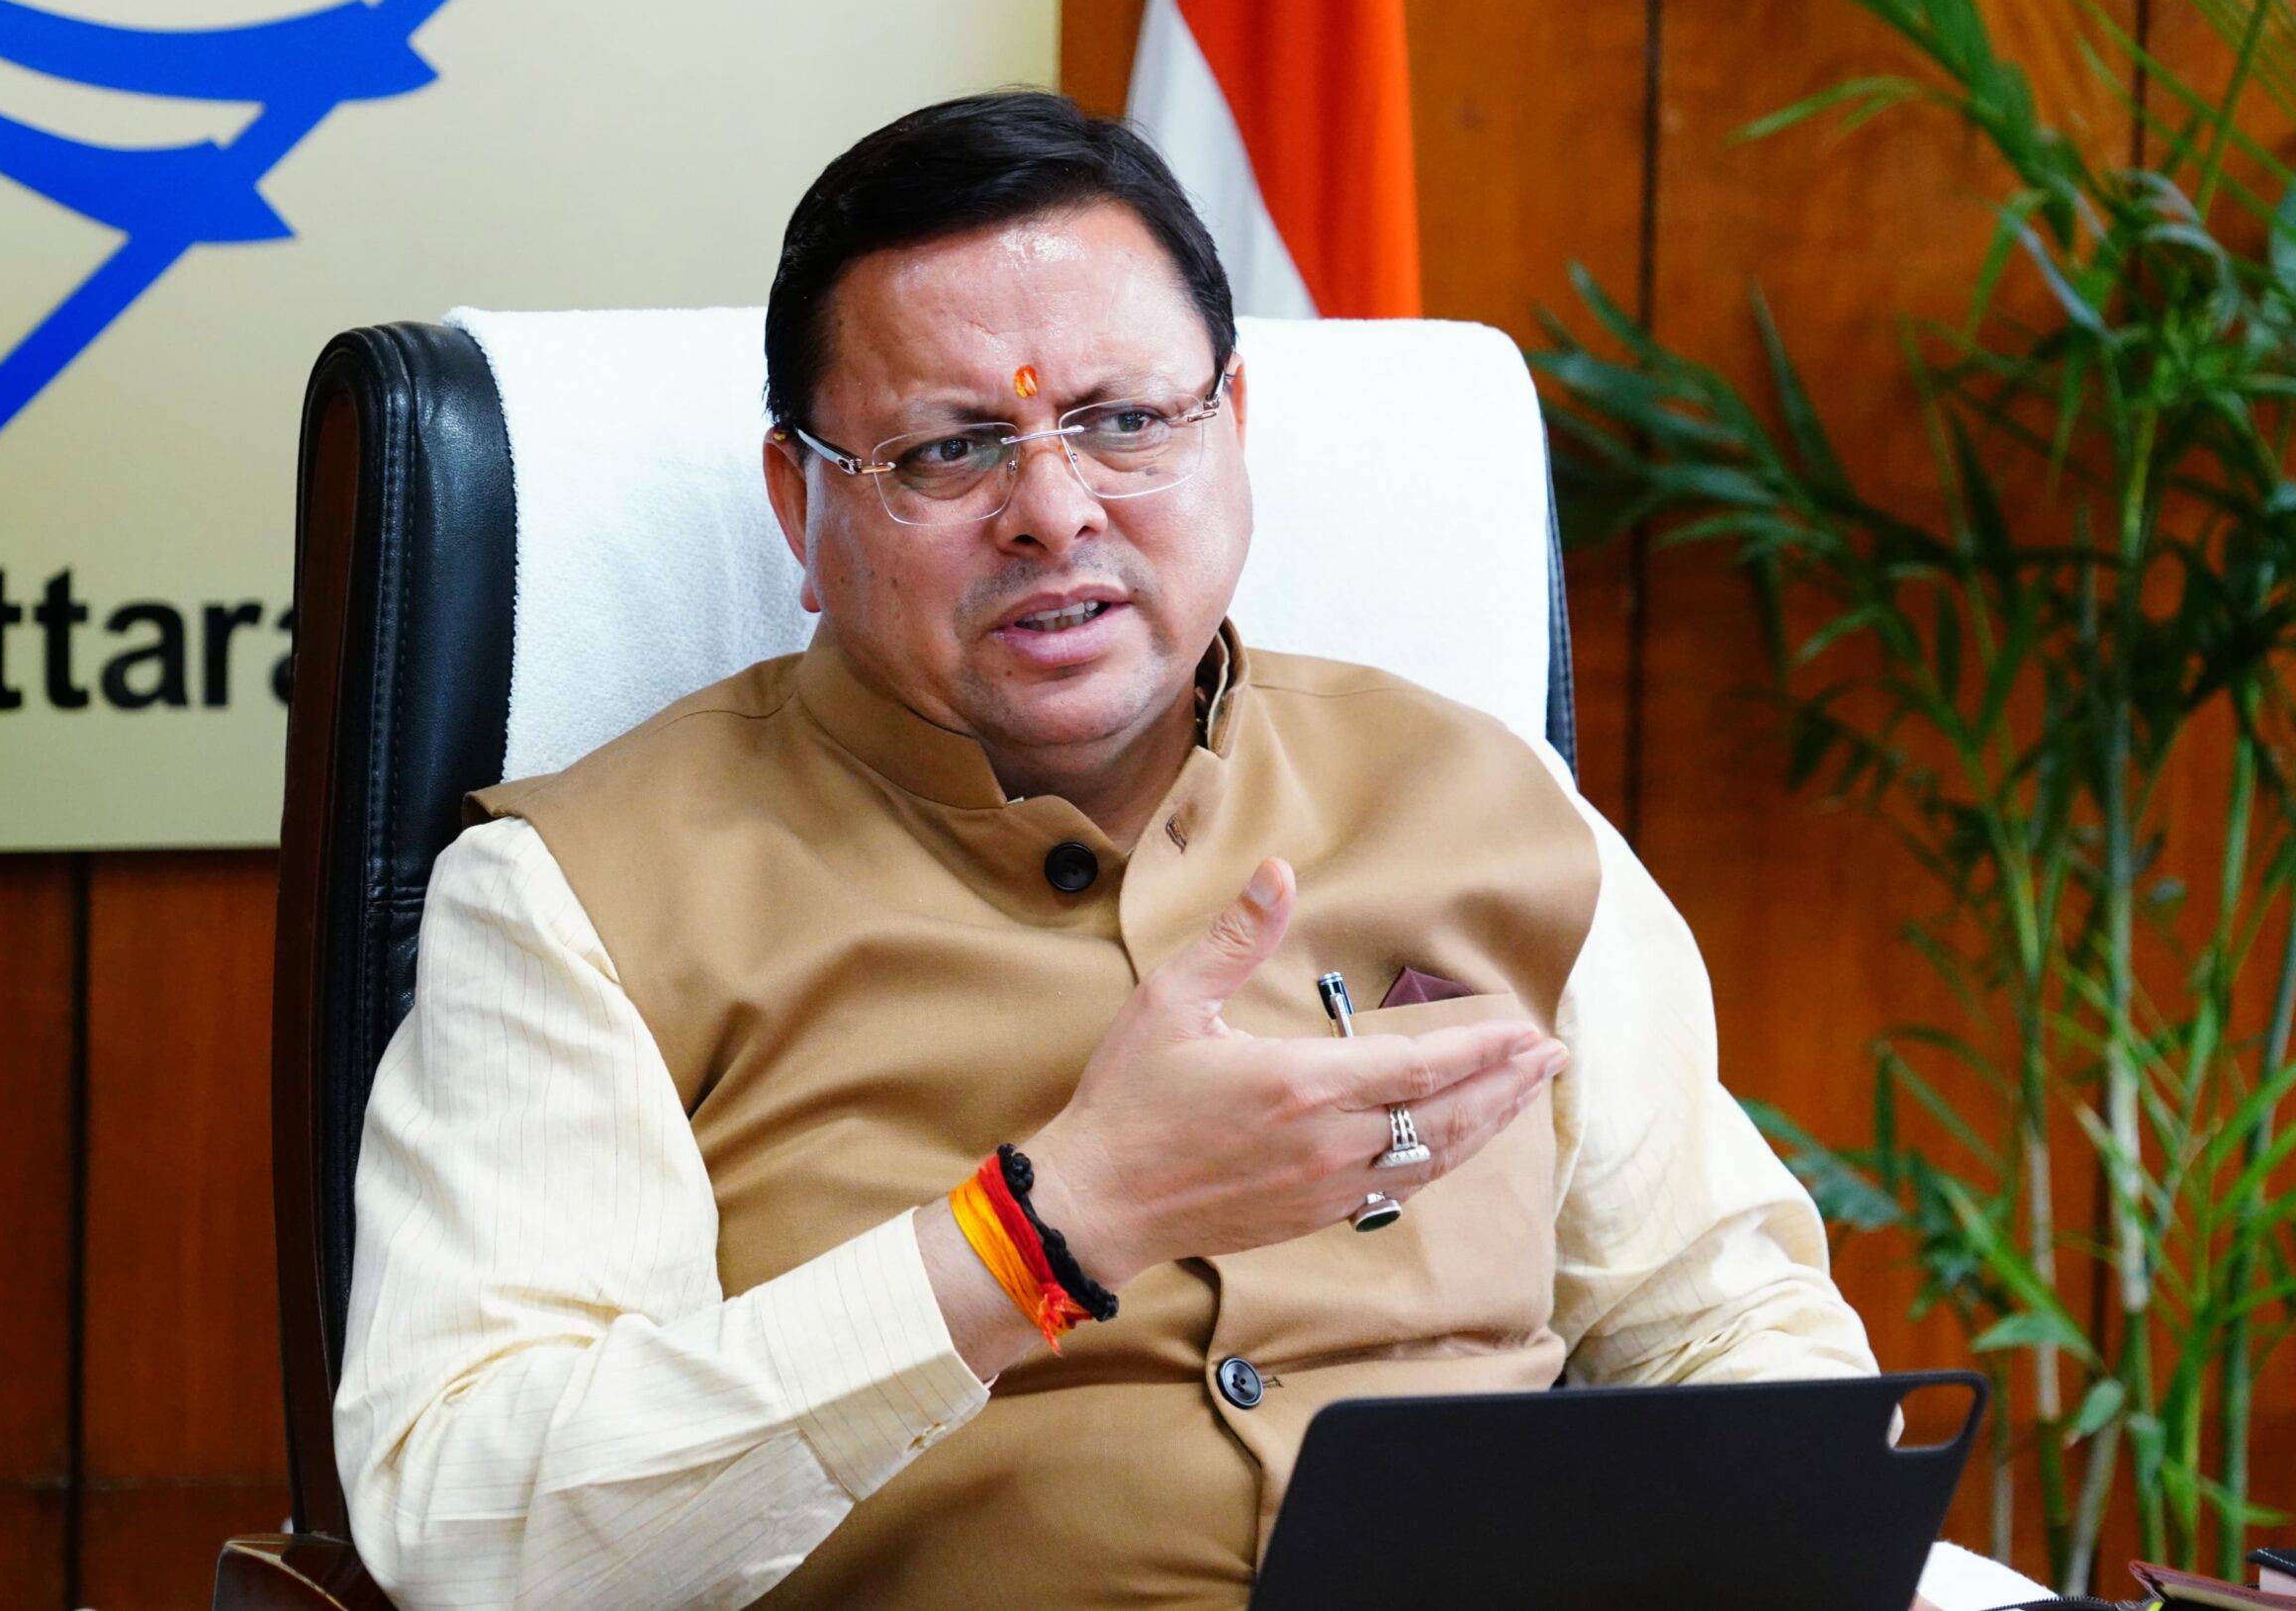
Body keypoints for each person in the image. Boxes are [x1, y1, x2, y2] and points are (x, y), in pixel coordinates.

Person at [333, 90, 1879, 1611]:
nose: (1054, 511)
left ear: (1234, 430)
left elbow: (1724, 1330)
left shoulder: (1494, 801)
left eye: (1124, 422)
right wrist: (1050, 1228)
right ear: (800, 506)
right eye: (950, 451)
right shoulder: (579, 899)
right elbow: (478, 1536)